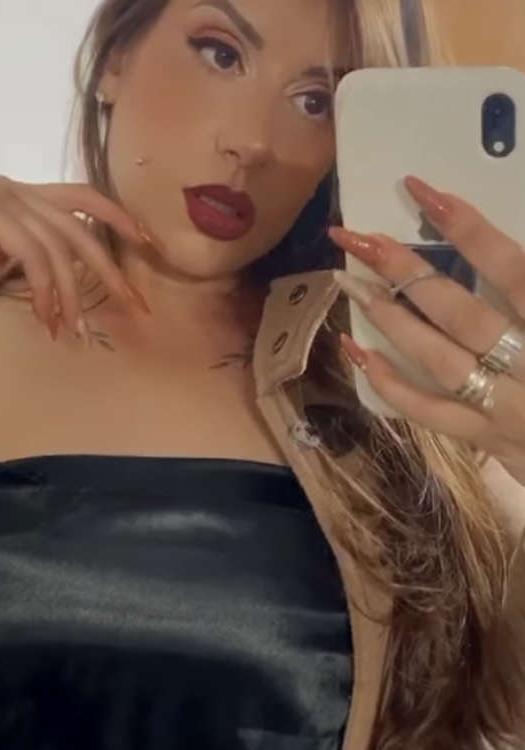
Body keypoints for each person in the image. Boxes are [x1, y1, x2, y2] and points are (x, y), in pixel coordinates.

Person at [0, 1, 524, 748]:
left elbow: (500, 717)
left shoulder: (408, 398)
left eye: (315, 102)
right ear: (114, 56)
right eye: (220, 53)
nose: (253, 143)